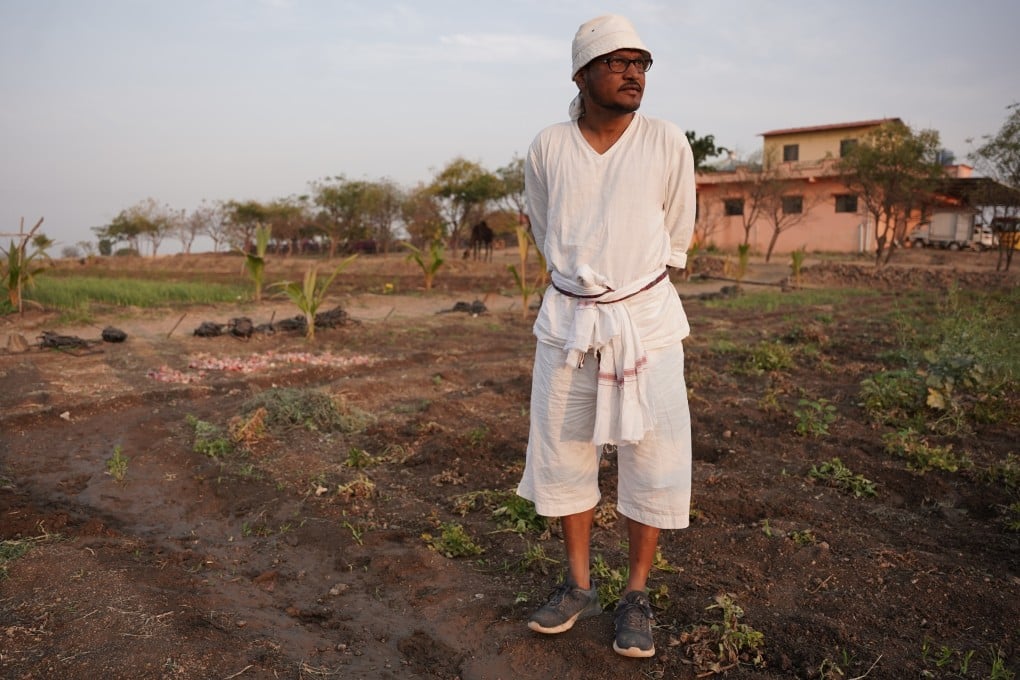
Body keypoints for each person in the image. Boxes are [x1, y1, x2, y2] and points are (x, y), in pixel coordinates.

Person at [516, 13, 696, 659]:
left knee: (654, 457)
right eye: (619, 62)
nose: (634, 74)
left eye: (642, 64)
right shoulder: (547, 146)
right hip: (567, 322)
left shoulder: (667, 141)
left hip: (646, 322)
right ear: (582, 71)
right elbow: (545, 226)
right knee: (565, 453)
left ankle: (638, 594)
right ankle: (578, 584)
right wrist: (583, 286)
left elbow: (678, 230)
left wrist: (625, 290)